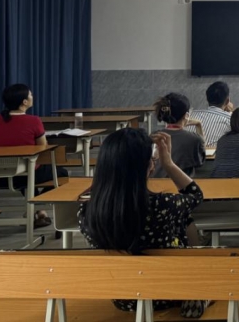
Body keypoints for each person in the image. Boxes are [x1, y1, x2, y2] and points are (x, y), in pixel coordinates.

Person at [78, 129, 209, 318]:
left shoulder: (86, 212)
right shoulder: (164, 205)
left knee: (183, 219)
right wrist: (168, 163)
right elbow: (195, 195)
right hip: (168, 292)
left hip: (122, 296)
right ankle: (198, 291)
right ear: (148, 167)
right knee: (186, 222)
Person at [0, 84, 69, 228]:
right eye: (30, 95)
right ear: (24, 102)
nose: (32, 97)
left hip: (1, 175)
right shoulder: (34, 121)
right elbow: (43, 148)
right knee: (61, 173)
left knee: (27, 171)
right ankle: (37, 206)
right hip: (27, 173)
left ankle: (39, 212)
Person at [152, 93, 206, 178]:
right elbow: (200, 161)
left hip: (154, 183)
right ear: (187, 115)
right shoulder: (194, 139)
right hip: (180, 184)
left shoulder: (154, 136)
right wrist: (199, 125)